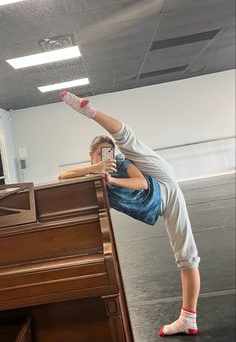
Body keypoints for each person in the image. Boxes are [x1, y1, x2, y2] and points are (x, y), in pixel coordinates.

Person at [59, 90, 201, 337]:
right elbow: (62, 177)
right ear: (90, 155)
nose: (107, 156)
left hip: (162, 182)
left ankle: (89, 111)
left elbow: (143, 184)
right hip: (161, 205)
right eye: (100, 153)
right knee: (184, 256)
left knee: (127, 140)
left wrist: (112, 179)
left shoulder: (121, 162)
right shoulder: (93, 172)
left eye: (109, 152)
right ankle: (188, 321)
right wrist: (95, 169)